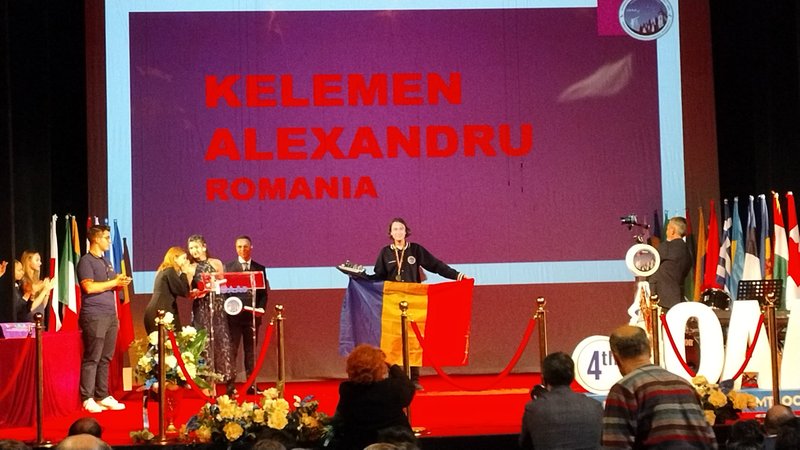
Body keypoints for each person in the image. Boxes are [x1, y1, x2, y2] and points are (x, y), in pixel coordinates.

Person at [368, 217, 466, 388]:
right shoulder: (385, 253)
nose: (398, 232)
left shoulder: (415, 250)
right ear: (390, 233)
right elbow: (378, 276)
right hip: (393, 302)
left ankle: (414, 379)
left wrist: (457, 275)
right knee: (393, 340)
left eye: (401, 229)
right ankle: (394, 378)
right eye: (395, 229)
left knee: (414, 339)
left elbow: (436, 265)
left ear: (406, 231)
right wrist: (361, 278)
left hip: (413, 299)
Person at [601, 325, 717, 448]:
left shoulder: (624, 390)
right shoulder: (684, 385)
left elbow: (615, 445)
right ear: (649, 348)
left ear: (615, 356)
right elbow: (710, 440)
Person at [76, 224, 132, 413]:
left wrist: (119, 283)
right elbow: (89, 287)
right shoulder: (86, 261)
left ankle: (102, 395)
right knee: (93, 357)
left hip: (110, 314)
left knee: (106, 357)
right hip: (94, 315)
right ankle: (87, 397)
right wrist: (114, 282)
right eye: (106, 238)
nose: (109, 241)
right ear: (96, 239)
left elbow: (109, 285)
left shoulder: (106, 261)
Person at [330, 344, 416, 450]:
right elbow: (408, 386)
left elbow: (338, 421)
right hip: (395, 445)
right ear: (380, 368)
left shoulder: (348, 391)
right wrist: (393, 366)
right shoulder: (392, 388)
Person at [519, 351, 603, 449]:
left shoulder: (534, 409)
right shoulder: (595, 406)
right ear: (573, 376)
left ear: (544, 378)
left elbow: (525, 445)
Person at [186, 234, 235, 393]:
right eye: (191, 248)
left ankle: (225, 382)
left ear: (204, 247)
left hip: (218, 307)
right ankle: (206, 385)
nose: (194, 251)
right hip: (201, 308)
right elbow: (188, 292)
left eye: (196, 247)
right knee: (204, 345)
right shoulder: (191, 267)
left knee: (221, 342)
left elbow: (225, 284)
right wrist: (197, 292)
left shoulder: (216, 263)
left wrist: (215, 283)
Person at [224, 235, 269, 395]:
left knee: (251, 353)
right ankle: (230, 386)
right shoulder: (228, 267)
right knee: (232, 352)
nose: (242, 249)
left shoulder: (259, 268)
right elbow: (224, 293)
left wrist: (260, 309)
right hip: (234, 318)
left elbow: (263, 294)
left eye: (245, 246)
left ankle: (251, 384)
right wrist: (229, 308)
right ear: (235, 248)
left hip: (252, 318)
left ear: (251, 248)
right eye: (239, 246)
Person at [143, 246, 192, 335]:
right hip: (161, 312)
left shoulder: (165, 270)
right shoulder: (169, 271)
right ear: (175, 258)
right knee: (164, 341)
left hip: (161, 310)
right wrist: (184, 273)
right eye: (184, 258)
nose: (186, 261)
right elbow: (183, 291)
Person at [648, 216, 692, 308]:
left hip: (662, 301)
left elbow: (651, 268)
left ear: (672, 231)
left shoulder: (665, 247)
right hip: (679, 298)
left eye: (668, 229)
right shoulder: (687, 251)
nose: (666, 231)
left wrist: (652, 293)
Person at [19, 250, 54, 319]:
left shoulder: (37, 280)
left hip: (39, 319)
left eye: (40, 260)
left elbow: (42, 306)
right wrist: (45, 289)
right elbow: (31, 307)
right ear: (28, 261)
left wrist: (47, 291)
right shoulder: (23, 280)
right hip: (29, 320)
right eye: (37, 260)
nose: (40, 263)